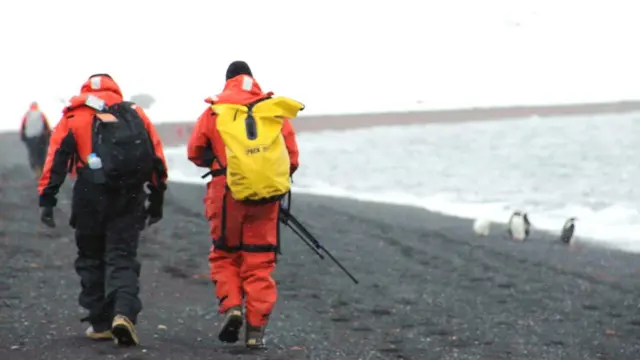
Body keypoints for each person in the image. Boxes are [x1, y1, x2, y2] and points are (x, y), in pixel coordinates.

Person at [37, 73, 168, 346]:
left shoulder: (74, 115)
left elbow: (56, 159)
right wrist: (157, 199)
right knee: (122, 256)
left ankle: (100, 323)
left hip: (89, 193)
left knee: (91, 257)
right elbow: (156, 157)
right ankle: (123, 313)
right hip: (129, 194)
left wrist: (47, 199)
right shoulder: (134, 112)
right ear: (115, 88)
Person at [187, 61, 303, 349]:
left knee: (225, 254)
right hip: (266, 198)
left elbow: (194, 152)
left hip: (226, 195)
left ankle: (233, 306)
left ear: (227, 81)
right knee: (259, 262)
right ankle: (255, 332)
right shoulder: (272, 111)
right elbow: (292, 159)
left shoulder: (215, 111)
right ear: (253, 79)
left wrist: (219, 164)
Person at [20, 102, 52, 177]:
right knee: (41, 154)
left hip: (30, 139)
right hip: (41, 138)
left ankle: (37, 170)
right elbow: (46, 125)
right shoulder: (41, 114)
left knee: (33, 155)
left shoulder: (27, 115)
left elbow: (23, 127)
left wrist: (23, 137)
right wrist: (49, 136)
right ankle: (42, 171)